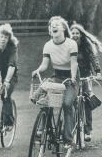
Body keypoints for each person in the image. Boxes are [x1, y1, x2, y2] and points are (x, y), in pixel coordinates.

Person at [31, 16, 78, 148]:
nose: (54, 26)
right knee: (47, 101)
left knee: (67, 104)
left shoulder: (71, 44)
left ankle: (68, 139)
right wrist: (38, 70)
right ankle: (41, 130)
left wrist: (73, 78)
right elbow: (45, 65)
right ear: (50, 30)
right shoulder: (48, 45)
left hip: (71, 77)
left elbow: (74, 63)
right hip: (57, 76)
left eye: (57, 24)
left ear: (63, 28)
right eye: (52, 25)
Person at [70, 23, 102, 142]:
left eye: (77, 33)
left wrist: (98, 72)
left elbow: (93, 59)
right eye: (73, 33)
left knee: (87, 102)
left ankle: (87, 131)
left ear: (81, 34)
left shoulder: (86, 45)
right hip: (73, 77)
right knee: (70, 102)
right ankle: (71, 129)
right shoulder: (68, 45)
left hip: (85, 76)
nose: (75, 35)